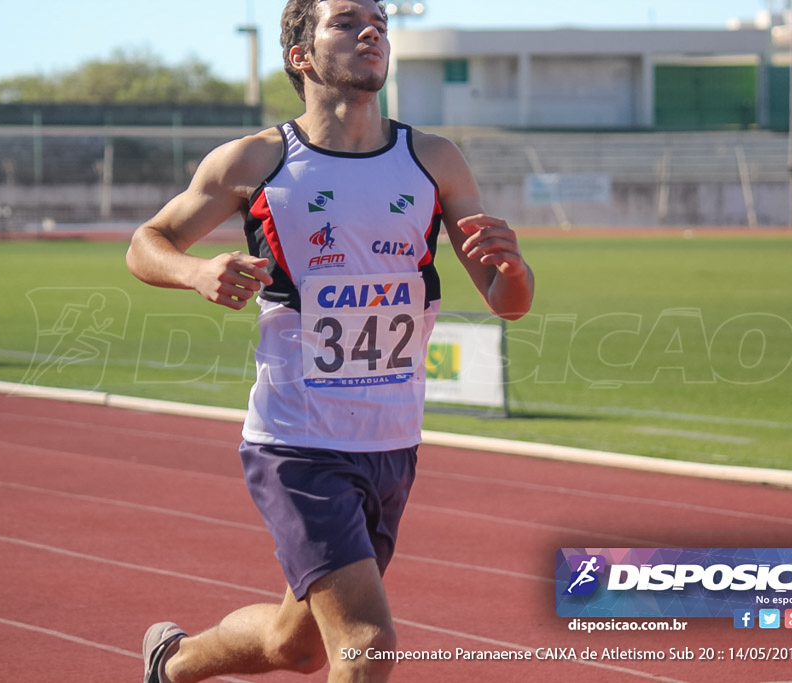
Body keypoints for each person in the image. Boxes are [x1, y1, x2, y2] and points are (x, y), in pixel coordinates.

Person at [126, 1, 534, 681]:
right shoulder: (256, 160)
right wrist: (196, 271)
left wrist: (515, 270)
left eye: (378, 19)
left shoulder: (433, 159)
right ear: (302, 56)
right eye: (346, 21)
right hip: (297, 441)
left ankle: (173, 662)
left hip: (391, 442)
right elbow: (148, 242)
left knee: (300, 645)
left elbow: (507, 303)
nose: (371, 29)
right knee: (366, 641)